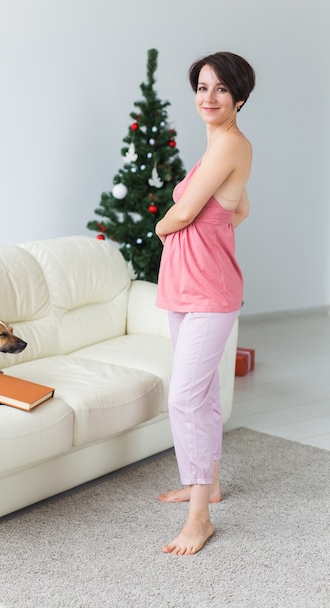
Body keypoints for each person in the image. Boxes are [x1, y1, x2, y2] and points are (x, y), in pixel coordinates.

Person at [155, 51, 255, 556]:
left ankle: (201, 517)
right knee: (205, 396)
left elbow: (186, 210)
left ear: (239, 96)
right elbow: (241, 207)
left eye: (219, 89)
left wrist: (163, 226)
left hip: (210, 292)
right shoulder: (217, 145)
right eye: (201, 88)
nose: (208, 98)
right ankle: (208, 484)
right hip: (185, 286)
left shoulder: (231, 143)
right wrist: (206, 235)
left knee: (185, 398)